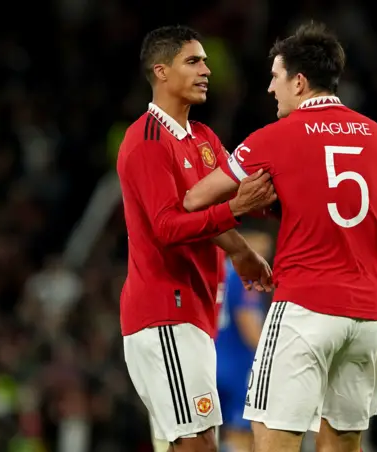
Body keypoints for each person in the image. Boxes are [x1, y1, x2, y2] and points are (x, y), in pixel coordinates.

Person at [183, 21, 377, 452]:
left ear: (299, 81)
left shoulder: (275, 137)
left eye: (275, 78)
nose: (270, 89)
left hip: (306, 308)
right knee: (344, 442)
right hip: (369, 316)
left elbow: (193, 201)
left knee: (272, 437)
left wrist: (240, 207)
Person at [117, 25, 277, 452]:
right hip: (164, 311)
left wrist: (242, 251)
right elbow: (167, 228)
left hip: (197, 312)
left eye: (205, 61)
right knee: (199, 443)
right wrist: (236, 210)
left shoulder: (203, 139)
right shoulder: (147, 141)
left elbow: (229, 201)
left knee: (191, 441)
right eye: (193, 61)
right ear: (162, 71)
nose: (206, 69)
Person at [216, 230, 272, 452]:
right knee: (242, 435)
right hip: (239, 366)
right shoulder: (245, 275)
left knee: (221, 433)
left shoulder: (220, 272)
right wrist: (270, 357)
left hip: (214, 360)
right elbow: (247, 323)